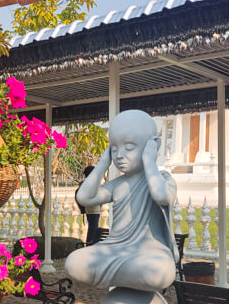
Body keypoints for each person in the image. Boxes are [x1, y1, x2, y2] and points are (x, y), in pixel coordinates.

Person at [65, 110, 178, 293]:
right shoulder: (118, 184)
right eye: (115, 148)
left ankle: (121, 273)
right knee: (73, 262)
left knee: (158, 272)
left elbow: (161, 196)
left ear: (153, 145)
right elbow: (84, 197)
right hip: (115, 248)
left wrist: (149, 162)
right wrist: (103, 163)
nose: (119, 155)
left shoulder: (164, 179)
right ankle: (126, 273)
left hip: (150, 251)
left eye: (129, 147)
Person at [75, 166, 101, 245]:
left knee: (92, 229)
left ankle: (90, 246)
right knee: (93, 230)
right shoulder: (90, 184)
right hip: (93, 210)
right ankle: (90, 246)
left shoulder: (86, 183)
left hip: (92, 209)